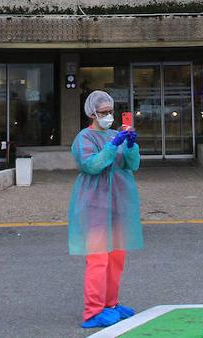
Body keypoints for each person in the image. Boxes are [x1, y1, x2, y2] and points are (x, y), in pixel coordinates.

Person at [69, 90, 142, 329]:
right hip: (94, 205)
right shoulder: (84, 138)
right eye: (103, 112)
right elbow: (91, 165)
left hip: (119, 203)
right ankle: (93, 310)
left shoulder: (116, 134)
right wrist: (112, 146)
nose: (108, 116)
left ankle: (110, 304)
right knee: (98, 258)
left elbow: (132, 165)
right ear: (92, 113)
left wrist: (131, 146)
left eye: (110, 111)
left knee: (116, 257)